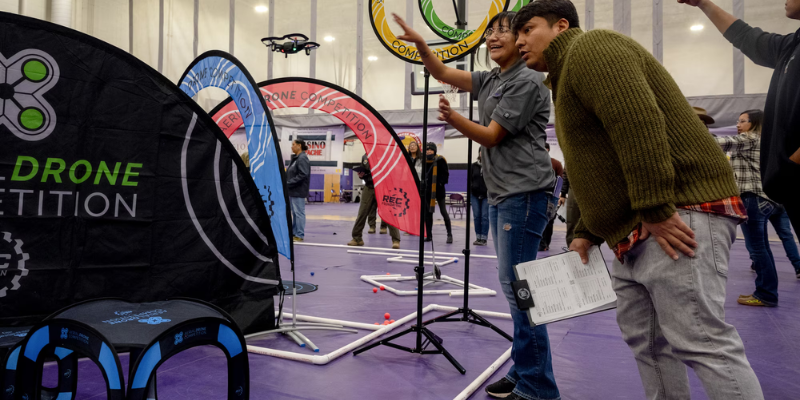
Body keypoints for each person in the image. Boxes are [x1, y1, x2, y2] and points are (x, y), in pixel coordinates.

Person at [513, 1, 763, 399]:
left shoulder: (592, 48)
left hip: (674, 213)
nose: (518, 40)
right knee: (648, 345)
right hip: (636, 228)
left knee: (702, 341)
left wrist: (655, 209)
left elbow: (637, 123)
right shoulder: (564, 77)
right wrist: (584, 233)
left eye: (527, 29)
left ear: (561, 25)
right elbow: (588, 167)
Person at [392, 10, 559, 400]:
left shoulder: (528, 80)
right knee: (515, 289)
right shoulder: (494, 78)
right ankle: (524, 370)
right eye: (489, 34)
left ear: (521, 38)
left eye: (502, 31)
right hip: (505, 192)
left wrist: (453, 117)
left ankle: (539, 386)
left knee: (522, 291)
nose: (492, 39)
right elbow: (444, 74)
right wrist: (421, 45)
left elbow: (491, 136)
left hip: (524, 192)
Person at [680, 0, 800, 238]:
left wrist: (790, 166)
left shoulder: (746, 140)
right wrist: (704, 4)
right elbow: (747, 37)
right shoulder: (792, 45)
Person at [714, 110, 784, 306]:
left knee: (757, 249)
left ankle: (766, 294)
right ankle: (765, 290)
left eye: (742, 121)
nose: (738, 124)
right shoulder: (761, 139)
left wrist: (697, 134)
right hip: (763, 198)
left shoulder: (751, 138)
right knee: (762, 248)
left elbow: (720, 143)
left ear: (754, 123)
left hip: (752, 198)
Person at [348, 154, 401, 249]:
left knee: (389, 213)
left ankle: (396, 240)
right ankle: (357, 238)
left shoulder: (385, 153)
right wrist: (361, 175)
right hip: (368, 186)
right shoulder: (365, 156)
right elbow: (363, 171)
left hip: (383, 187)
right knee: (362, 213)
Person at [423, 142, 453, 244]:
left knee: (443, 211)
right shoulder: (423, 161)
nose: (429, 151)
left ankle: (449, 235)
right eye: (427, 150)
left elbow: (446, 174)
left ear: (435, 150)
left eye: (431, 149)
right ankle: (429, 235)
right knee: (428, 214)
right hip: (427, 191)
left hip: (439, 191)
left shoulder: (440, 160)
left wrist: (440, 184)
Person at [540, 142, 563, 251]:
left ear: (548, 149)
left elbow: (561, 181)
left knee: (549, 221)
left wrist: (560, 196)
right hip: (538, 196)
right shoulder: (535, 163)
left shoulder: (556, 163)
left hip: (551, 197)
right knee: (538, 220)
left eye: (545, 148)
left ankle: (545, 243)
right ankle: (539, 243)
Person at [286, 139, 310, 242]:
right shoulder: (297, 158)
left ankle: (299, 235)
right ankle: (295, 233)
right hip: (293, 190)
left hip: (298, 190)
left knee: (299, 213)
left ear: (299, 146)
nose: (292, 147)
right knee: (295, 213)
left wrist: (289, 183)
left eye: (293, 145)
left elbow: (303, 174)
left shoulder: (302, 158)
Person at [470, 154, 489, 246]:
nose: (482, 153)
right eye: (481, 151)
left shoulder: (490, 165)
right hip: (474, 195)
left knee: (485, 217)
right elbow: (469, 179)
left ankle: (484, 238)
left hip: (486, 195)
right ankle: (478, 237)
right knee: (477, 216)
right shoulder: (473, 166)